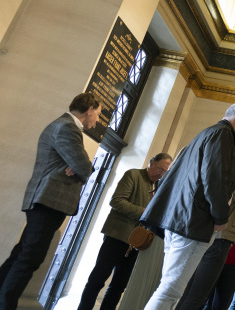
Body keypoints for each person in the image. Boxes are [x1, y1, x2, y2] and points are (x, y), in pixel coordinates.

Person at [140, 101, 235, 310]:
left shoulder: (208, 133)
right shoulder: (222, 135)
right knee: (170, 290)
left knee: (169, 288)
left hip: (181, 219)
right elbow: (214, 179)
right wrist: (221, 217)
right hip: (194, 222)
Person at [0, 92, 99, 310]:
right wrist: (81, 164)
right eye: (98, 114)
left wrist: (80, 163)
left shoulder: (66, 127)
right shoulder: (67, 127)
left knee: (22, 254)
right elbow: (84, 166)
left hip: (46, 201)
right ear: (89, 110)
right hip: (48, 201)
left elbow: (81, 164)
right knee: (29, 259)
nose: (98, 120)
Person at [77, 153, 173, 310]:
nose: (161, 174)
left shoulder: (158, 186)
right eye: (160, 169)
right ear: (151, 163)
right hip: (117, 235)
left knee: (119, 286)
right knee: (97, 279)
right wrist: (145, 212)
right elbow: (116, 201)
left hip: (138, 243)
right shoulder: (133, 175)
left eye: (165, 172)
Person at [175, 140, 235, 310]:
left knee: (190, 290)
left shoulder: (216, 168)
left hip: (202, 233)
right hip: (221, 236)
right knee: (199, 295)